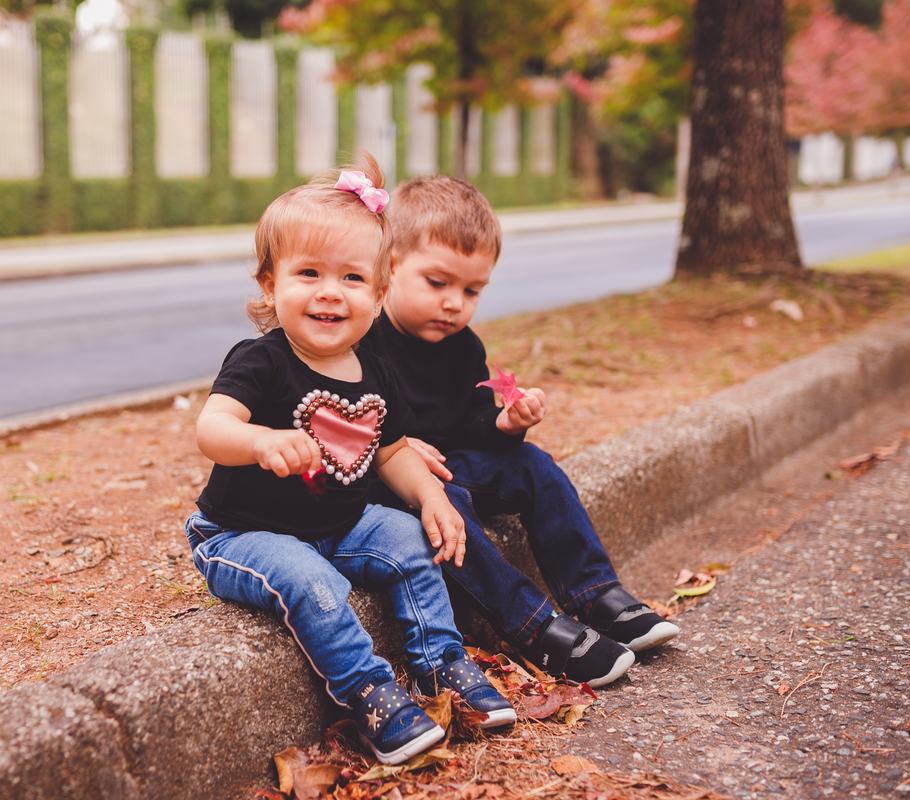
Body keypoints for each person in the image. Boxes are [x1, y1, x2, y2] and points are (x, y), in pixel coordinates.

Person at [185, 156, 515, 767]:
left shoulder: (379, 372)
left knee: (408, 538)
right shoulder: (260, 361)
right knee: (311, 581)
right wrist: (260, 441)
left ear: (379, 291)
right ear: (269, 284)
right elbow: (213, 428)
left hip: (338, 525)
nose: (330, 291)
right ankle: (367, 691)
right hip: (243, 534)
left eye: (352, 278)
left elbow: (391, 452)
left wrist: (433, 497)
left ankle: (442, 663)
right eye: (308, 273)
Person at [363, 174, 679, 688]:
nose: (454, 304)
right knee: (445, 505)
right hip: (391, 484)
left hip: (454, 464)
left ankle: (596, 592)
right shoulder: (363, 340)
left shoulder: (463, 346)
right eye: (437, 283)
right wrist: (390, 443)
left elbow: (472, 423)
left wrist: (504, 423)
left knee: (534, 465)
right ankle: (534, 626)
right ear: (390, 266)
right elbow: (333, 420)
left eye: (472, 290)